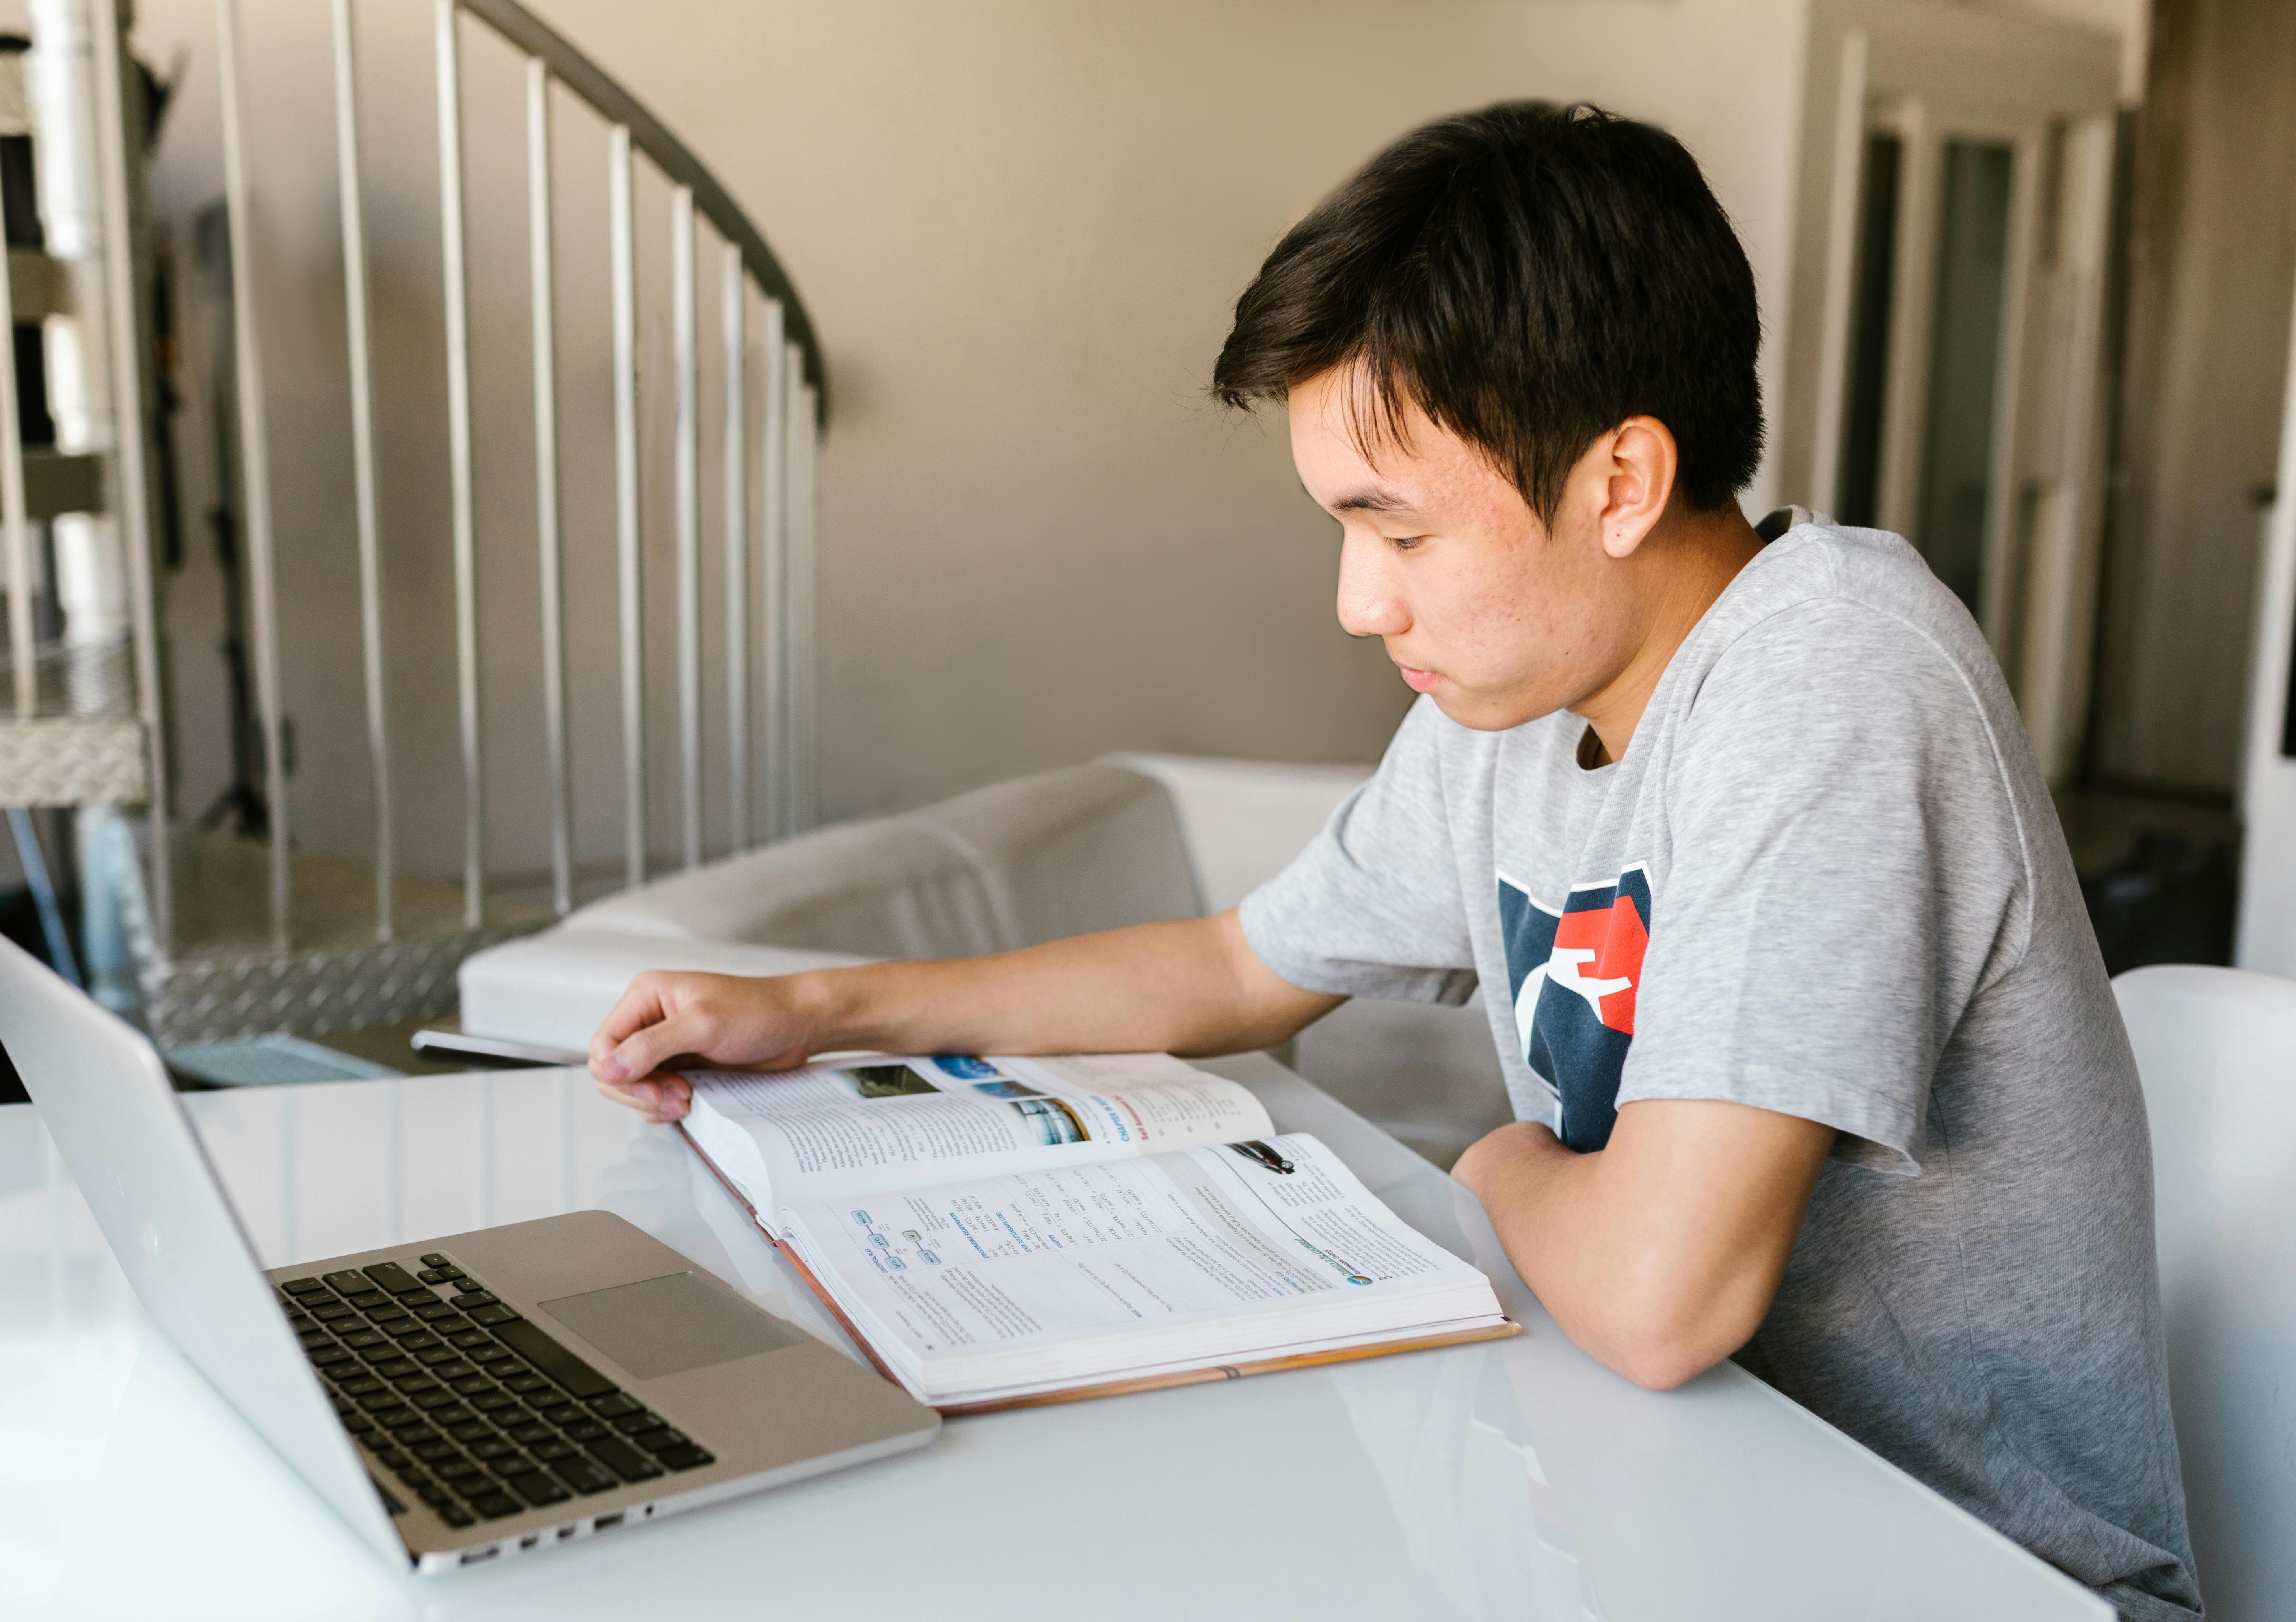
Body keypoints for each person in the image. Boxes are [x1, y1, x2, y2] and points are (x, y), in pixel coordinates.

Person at [589, 102, 2199, 1619]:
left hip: (1968, 1573)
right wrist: (814, 1004)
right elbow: (1233, 966)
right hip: (1670, 1516)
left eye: (1401, 531)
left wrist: (1497, 1164)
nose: (1360, 602)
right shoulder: (1514, 705)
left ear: (1617, 481)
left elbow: (1656, 1300)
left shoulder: (1831, 677)